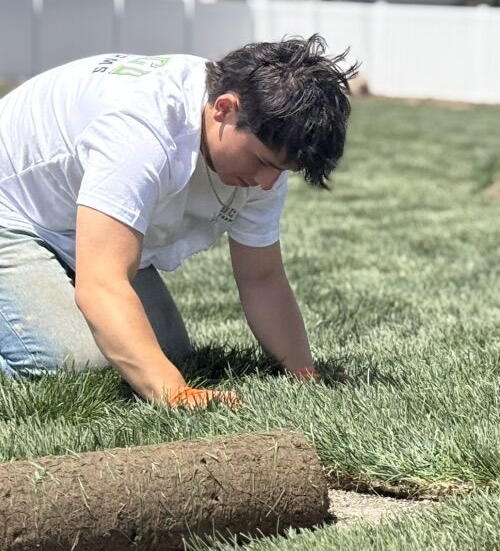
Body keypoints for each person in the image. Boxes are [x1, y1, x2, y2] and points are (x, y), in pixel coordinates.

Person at [0, 34, 356, 409]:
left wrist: (304, 372)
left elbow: (262, 278)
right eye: (264, 163)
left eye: (283, 171)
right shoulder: (142, 132)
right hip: (11, 212)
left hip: (70, 217)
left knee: (165, 352)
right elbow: (101, 284)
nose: (267, 183)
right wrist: (176, 395)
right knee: (75, 363)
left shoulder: (261, 155)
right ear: (224, 109)